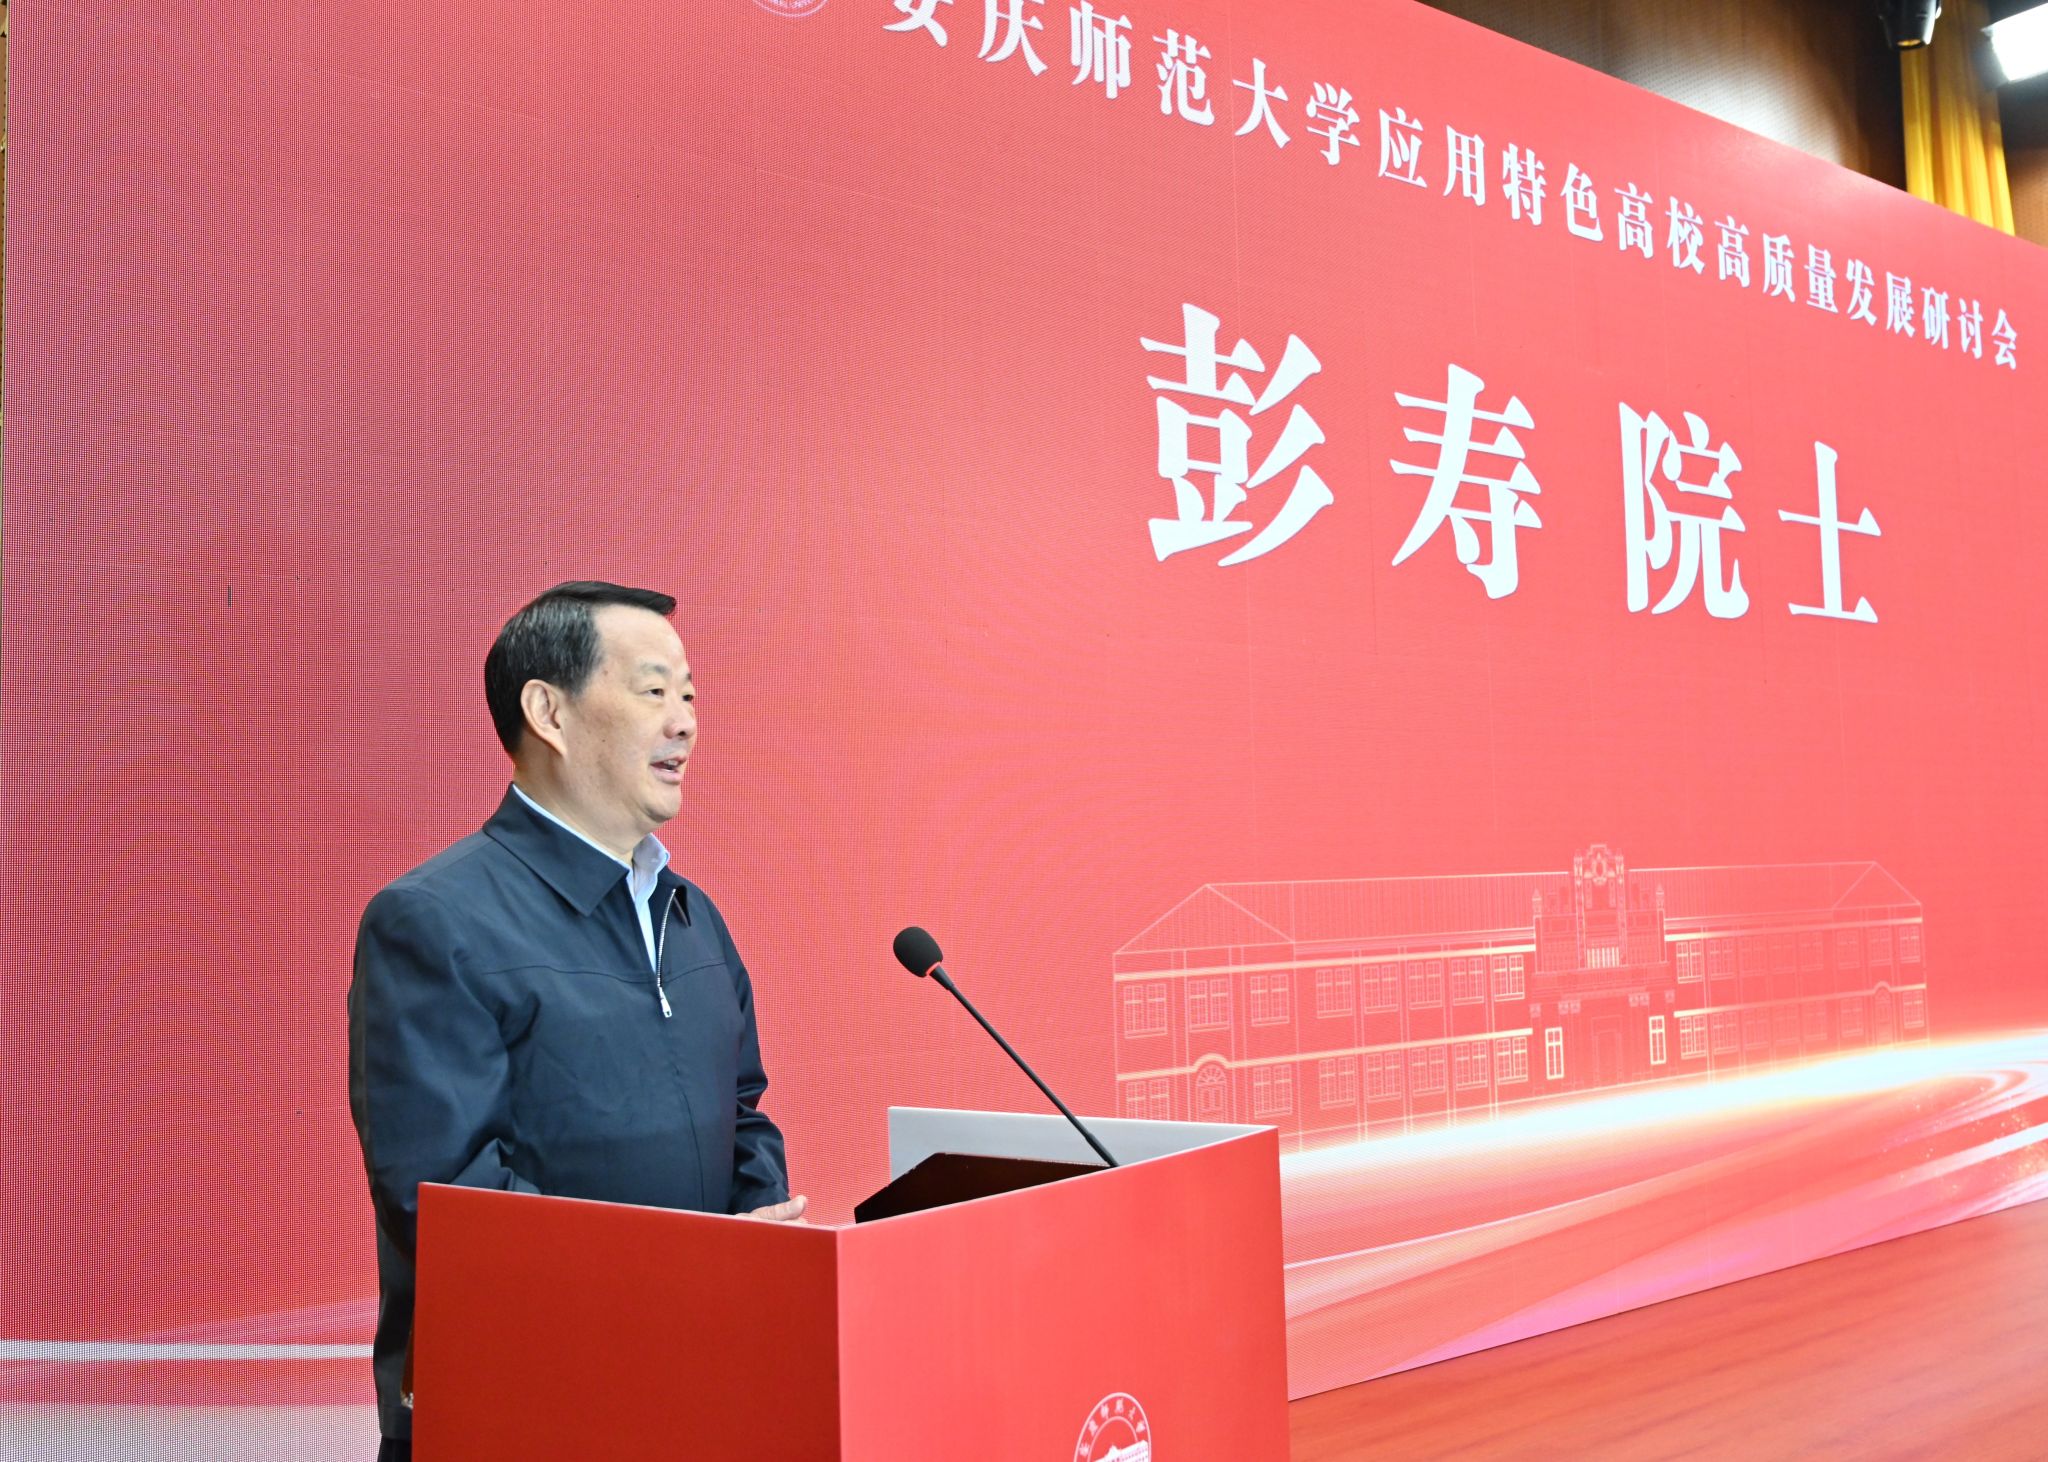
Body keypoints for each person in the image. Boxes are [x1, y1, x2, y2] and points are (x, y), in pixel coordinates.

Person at [347, 581, 805, 1461]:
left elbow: (742, 1113)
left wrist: (756, 1253)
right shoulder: (433, 920)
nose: (684, 724)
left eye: (689, 696)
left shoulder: (691, 915)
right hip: (525, 1415)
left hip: (698, 1395)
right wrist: (682, 1278)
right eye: (654, 690)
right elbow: (448, 1203)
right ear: (548, 713)